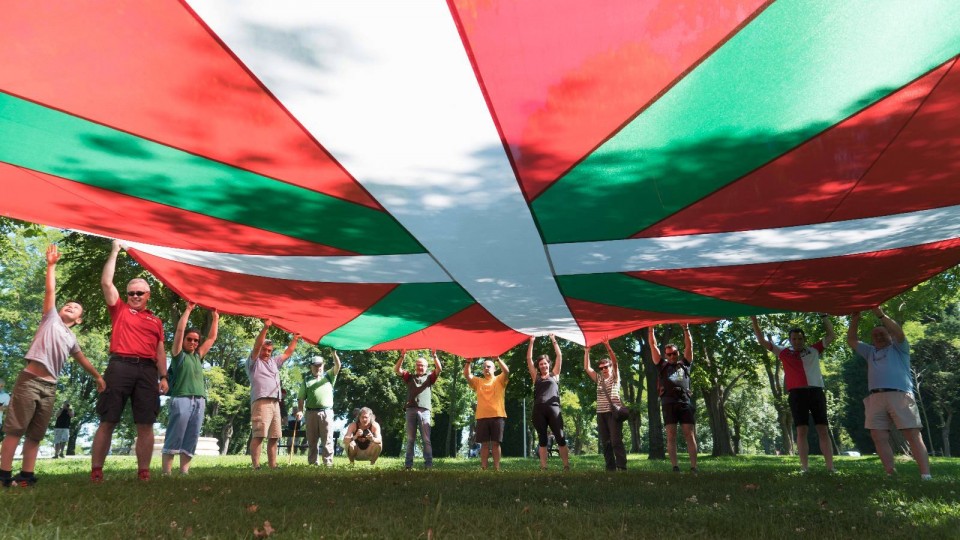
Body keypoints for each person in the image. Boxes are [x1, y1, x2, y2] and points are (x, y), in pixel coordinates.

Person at [1, 244, 105, 488]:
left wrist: (98, 377)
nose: (70, 306)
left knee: (36, 433)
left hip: (50, 387)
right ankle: (3, 473)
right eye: (67, 304)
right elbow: (50, 291)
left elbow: (82, 360)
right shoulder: (50, 319)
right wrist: (51, 265)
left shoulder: (71, 338)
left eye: (76, 307)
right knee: (16, 428)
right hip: (29, 381)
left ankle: (26, 475)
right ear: (59, 309)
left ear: (78, 320)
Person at [91, 240, 167, 482]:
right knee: (108, 419)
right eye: (131, 292)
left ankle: (144, 472)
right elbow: (105, 283)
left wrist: (164, 376)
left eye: (139, 293)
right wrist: (114, 250)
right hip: (120, 366)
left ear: (148, 295)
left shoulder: (156, 321)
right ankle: (96, 471)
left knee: (146, 422)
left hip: (147, 371)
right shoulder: (120, 309)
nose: (135, 296)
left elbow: (160, 351)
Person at [847, 308, 931, 480]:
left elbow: (899, 332)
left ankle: (926, 475)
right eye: (875, 334)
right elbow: (851, 340)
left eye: (882, 333)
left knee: (912, 435)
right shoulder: (870, 352)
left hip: (900, 396)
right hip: (875, 398)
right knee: (878, 436)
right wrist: (855, 319)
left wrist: (880, 314)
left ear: (890, 336)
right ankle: (890, 473)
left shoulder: (899, 348)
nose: (878, 336)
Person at [751, 315, 836, 473]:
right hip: (797, 394)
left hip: (816, 391)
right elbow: (762, 341)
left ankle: (831, 467)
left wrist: (824, 316)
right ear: (790, 340)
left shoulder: (814, 350)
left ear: (804, 339)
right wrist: (754, 321)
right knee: (801, 430)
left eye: (800, 338)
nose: (797, 341)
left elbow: (832, 335)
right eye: (794, 339)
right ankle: (804, 468)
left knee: (822, 429)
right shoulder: (783, 353)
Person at [162, 302, 219, 475]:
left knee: (192, 435)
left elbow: (211, 338)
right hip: (181, 398)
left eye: (195, 340)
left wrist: (215, 318)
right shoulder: (179, 355)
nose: (193, 342)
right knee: (175, 433)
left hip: (199, 400)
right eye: (190, 339)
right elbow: (179, 331)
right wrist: (188, 310)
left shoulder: (198, 356)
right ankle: (167, 472)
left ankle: (184, 471)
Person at [247, 319, 300, 470]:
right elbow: (257, 345)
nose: (266, 353)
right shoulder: (254, 362)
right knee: (259, 434)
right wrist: (266, 327)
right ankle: (255, 466)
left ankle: (273, 465)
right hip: (261, 401)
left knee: (275, 435)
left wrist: (295, 339)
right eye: (264, 349)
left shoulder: (274, 362)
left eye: (269, 351)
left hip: (276, 402)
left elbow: (287, 353)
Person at [649, 324, 699, 473]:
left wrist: (686, 328)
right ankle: (675, 467)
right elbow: (653, 345)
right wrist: (650, 329)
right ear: (665, 355)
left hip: (684, 402)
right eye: (669, 354)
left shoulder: (685, 364)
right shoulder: (661, 365)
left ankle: (694, 467)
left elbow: (689, 345)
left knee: (689, 434)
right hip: (668, 403)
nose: (671, 356)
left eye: (674, 353)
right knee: (671, 435)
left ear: (678, 353)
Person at [526, 335, 570, 471]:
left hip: (554, 409)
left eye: (545, 363)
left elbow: (559, 355)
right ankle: (544, 467)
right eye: (540, 364)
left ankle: (566, 466)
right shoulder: (536, 377)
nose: (543, 365)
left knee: (560, 437)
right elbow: (528, 359)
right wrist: (531, 342)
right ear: (538, 366)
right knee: (543, 439)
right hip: (538, 410)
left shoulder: (554, 374)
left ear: (548, 364)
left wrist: (553, 339)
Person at [395, 349, 442, 470]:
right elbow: (397, 370)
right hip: (410, 410)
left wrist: (435, 356)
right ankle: (408, 465)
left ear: (426, 367)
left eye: (422, 365)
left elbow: (439, 369)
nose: (420, 367)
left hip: (424, 410)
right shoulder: (409, 377)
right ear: (415, 366)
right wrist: (402, 356)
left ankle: (429, 464)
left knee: (426, 439)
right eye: (418, 365)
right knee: (410, 439)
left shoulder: (430, 378)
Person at [584, 341, 626, 471]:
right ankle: (610, 467)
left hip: (613, 413)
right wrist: (587, 351)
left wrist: (608, 347)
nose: (603, 370)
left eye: (606, 367)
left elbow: (615, 362)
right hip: (600, 413)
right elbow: (587, 368)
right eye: (601, 368)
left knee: (615, 440)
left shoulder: (615, 377)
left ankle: (622, 466)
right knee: (606, 442)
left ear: (610, 367)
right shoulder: (599, 379)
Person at [464, 356, 510, 470]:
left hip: (498, 416)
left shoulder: (499, 379)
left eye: (489, 366)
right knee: (484, 444)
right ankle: (484, 468)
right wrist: (468, 361)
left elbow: (507, 371)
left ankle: (497, 468)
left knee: (496, 444)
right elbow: (466, 375)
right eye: (484, 367)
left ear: (494, 369)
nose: (486, 368)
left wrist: (498, 359)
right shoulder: (478, 381)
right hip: (482, 416)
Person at [296, 352, 341, 466]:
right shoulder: (306, 380)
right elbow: (301, 398)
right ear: (311, 366)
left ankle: (328, 463)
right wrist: (300, 410)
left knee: (327, 440)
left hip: (327, 412)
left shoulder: (329, 376)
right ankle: (312, 463)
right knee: (312, 441)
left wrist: (333, 353)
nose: (318, 368)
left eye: (320, 365)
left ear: (323, 365)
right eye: (315, 365)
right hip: (311, 413)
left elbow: (338, 366)